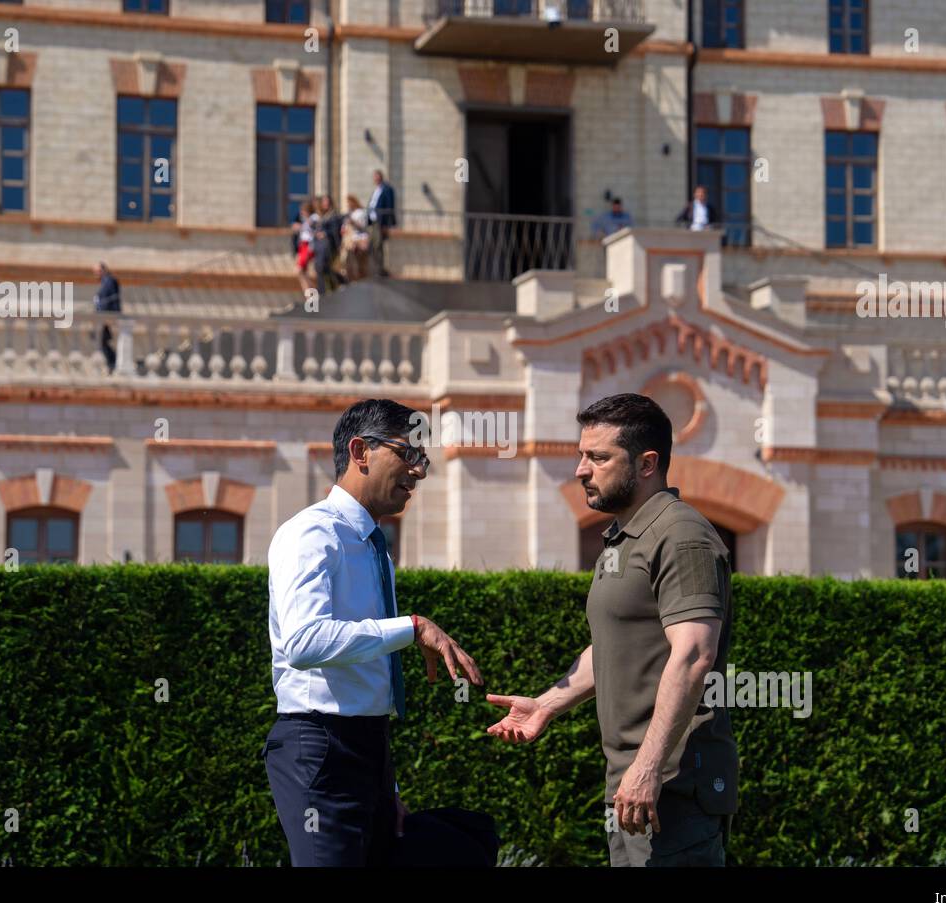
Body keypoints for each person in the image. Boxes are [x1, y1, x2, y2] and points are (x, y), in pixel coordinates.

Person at [486, 393, 737, 867]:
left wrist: (649, 768)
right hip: (632, 787)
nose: (582, 469)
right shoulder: (625, 537)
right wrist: (546, 703)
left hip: (674, 790)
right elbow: (616, 644)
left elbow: (693, 655)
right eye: (583, 455)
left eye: (599, 457)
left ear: (647, 463)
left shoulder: (682, 537)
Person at [264, 399, 485, 867]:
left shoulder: (374, 546)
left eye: (423, 459)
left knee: (468, 840)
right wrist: (412, 627)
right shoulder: (311, 534)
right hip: (318, 747)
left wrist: (389, 787)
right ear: (361, 451)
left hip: (369, 749)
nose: (419, 471)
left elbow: (362, 679)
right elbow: (303, 643)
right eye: (409, 454)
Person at [92, 262, 121, 373]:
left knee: (103, 340)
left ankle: (113, 363)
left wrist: (100, 310)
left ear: (104, 270)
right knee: (103, 340)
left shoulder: (109, 281)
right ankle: (112, 363)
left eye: (97, 271)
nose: (96, 274)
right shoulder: (106, 281)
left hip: (108, 316)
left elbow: (109, 299)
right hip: (105, 317)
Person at [367, 170, 396, 277]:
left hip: (380, 223)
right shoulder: (376, 190)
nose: (375, 179)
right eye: (374, 177)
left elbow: (389, 206)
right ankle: (374, 269)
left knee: (378, 246)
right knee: (372, 246)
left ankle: (380, 270)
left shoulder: (387, 189)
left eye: (377, 177)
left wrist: (387, 224)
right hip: (373, 223)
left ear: (381, 177)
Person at [339, 194, 371, 282]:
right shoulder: (349, 214)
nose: (348, 205)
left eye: (349, 203)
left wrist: (353, 222)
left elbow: (363, 227)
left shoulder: (361, 212)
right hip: (349, 242)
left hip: (360, 240)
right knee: (348, 265)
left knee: (360, 265)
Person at [293, 200, 319, 295]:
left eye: (303, 211)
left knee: (298, 270)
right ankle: (310, 296)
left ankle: (315, 290)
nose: (302, 213)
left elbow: (310, 225)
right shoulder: (304, 219)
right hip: (302, 245)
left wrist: (300, 226)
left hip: (309, 245)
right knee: (303, 272)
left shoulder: (314, 217)